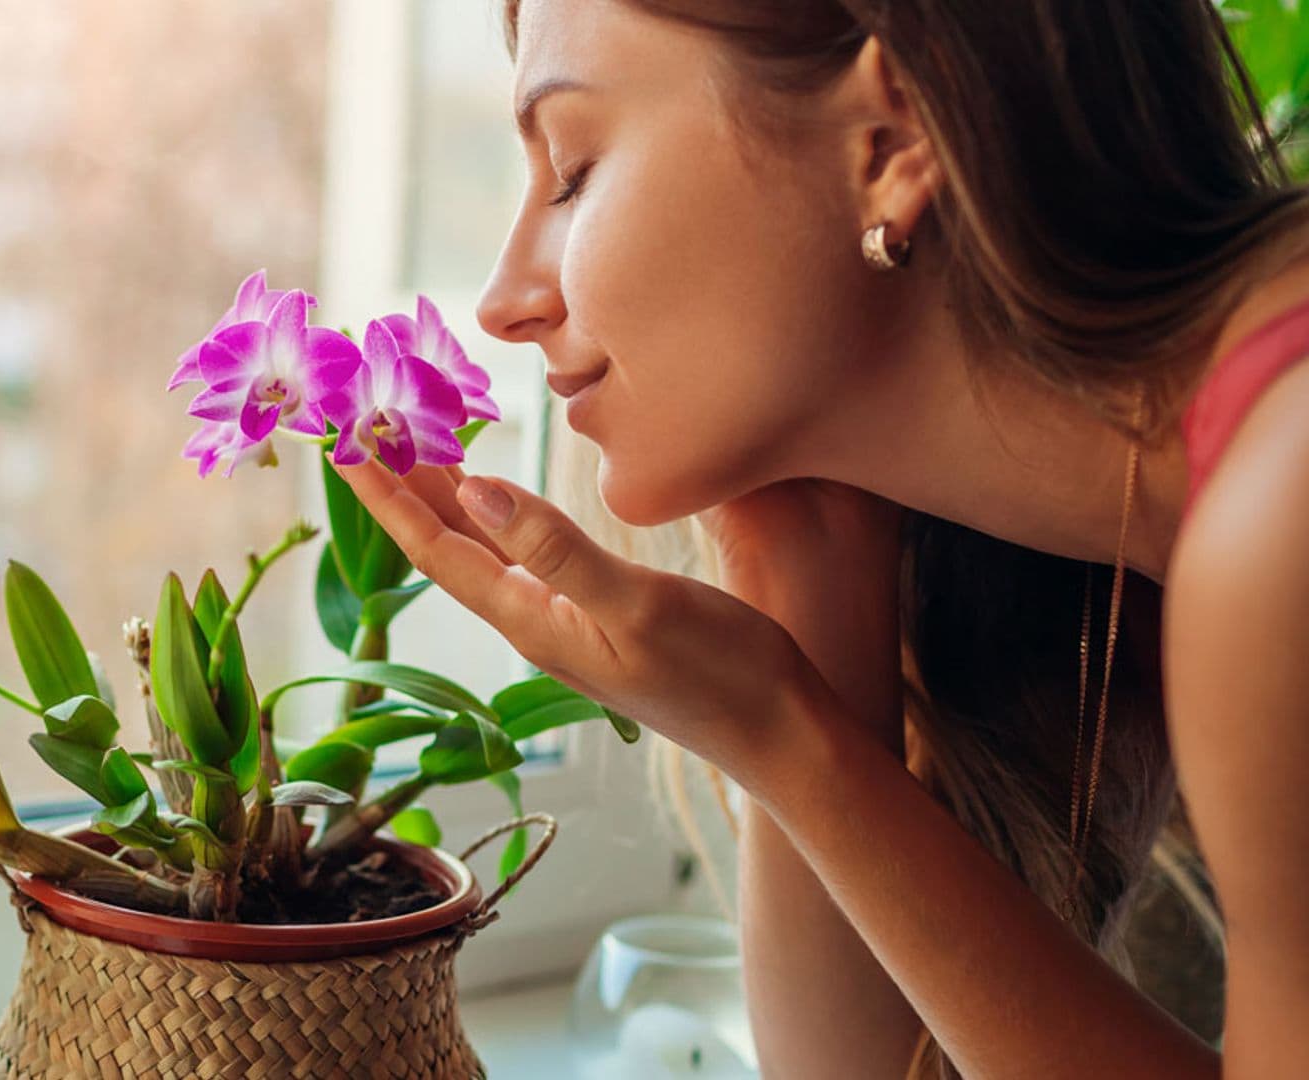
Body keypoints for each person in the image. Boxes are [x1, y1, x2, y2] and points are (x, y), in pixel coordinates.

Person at [331, 1, 1309, 1076]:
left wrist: (787, 737)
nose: (502, 303)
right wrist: (804, 594)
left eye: (572, 169)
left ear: (890, 145)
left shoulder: (1284, 503)